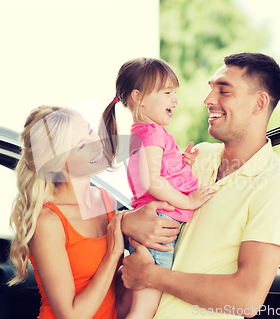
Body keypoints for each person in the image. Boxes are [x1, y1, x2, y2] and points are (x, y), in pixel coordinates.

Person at [120, 53, 280, 318]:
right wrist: (126, 221)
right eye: (210, 89)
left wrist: (152, 276)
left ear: (259, 102)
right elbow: (146, 199)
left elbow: (246, 298)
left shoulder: (276, 187)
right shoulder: (199, 157)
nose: (208, 100)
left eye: (223, 91)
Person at [99, 57, 214, 318]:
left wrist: (179, 164)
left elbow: (153, 174)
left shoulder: (144, 131)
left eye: (175, 92)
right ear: (138, 97)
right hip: (158, 228)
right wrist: (189, 201)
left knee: (128, 306)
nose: (175, 99)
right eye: (167, 92)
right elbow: (151, 181)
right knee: (145, 310)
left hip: (151, 225)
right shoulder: (152, 133)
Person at [8, 106, 128, 319]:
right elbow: (71, 315)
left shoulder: (105, 199)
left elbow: (108, 288)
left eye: (90, 131)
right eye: (81, 145)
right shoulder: (49, 221)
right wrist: (113, 254)